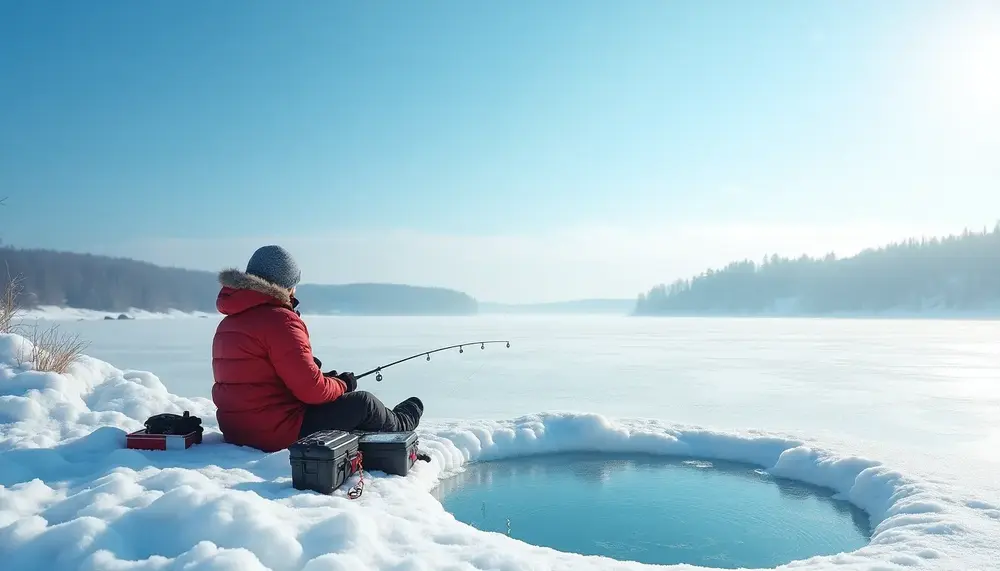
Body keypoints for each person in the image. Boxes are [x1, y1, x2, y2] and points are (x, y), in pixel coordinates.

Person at [211, 245, 424, 452]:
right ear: (286, 284)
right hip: (274, 433)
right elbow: (311, 391)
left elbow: (263, 381)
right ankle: (402, 422)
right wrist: (343, 384)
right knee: (363, 403)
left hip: (236, 429)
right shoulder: (281, 320)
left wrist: (323, 377)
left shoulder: (228, 323)